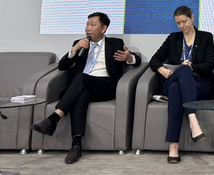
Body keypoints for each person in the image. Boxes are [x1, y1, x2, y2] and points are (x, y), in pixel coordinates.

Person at [31, 12, 141, 164]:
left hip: (105, 85)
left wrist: (129, 57)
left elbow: (137, 60)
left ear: (103, 28)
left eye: (92, 25)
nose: (88, 28)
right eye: (87, 24)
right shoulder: (80, 43)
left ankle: (54, 118)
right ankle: (76, 146)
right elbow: (63, 66)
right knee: (81, 94)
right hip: (83, 86)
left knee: (81, 78)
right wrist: (74, 49)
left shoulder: (115, 43)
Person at [149, 6, 214, 164]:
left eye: (184, 21)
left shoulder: (206, 37)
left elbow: (209, 65)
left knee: (175, 90)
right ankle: (193, 121)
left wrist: (191, 67)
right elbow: (154, 60)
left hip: (199, 84)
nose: (181, 26)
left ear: (192, 18)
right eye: (178, 23)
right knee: (181, 73)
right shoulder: (173, 38)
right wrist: (161, 70)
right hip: (173, 78)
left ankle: (173, 147)